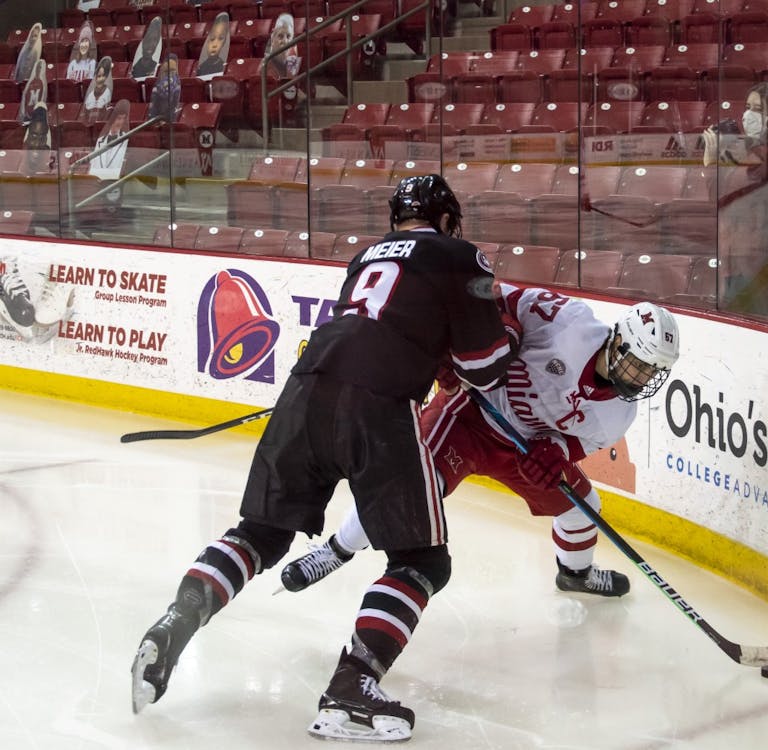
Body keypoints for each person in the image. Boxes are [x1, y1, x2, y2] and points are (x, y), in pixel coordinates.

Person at [131, 174, 520, 743]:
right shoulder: (463, 255)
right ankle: (353, 687)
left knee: (259, 535)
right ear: (445, 219)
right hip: (379, 404)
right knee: (423, 561)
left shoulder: (363, 259)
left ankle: (174, 623)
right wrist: (506, 332)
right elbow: (484, 369)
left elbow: (380, 323)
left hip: (304, 388)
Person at [282, 291, 680, 599]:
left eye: (652, 372)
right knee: (415, 487)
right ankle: (338, 549)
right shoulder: (568, 322)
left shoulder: (621, 414)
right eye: (639, 364)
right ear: (618, 343)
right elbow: (492, 295)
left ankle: (574, 574)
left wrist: (555, 451)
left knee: (583, 509)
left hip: (522, 449)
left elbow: (573, 445)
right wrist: (490, 339)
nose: (643, 378)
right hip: (470, 411)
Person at [90, 99, 131, 180]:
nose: (121, 122)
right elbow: (94, 164)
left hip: (117, 181)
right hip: (98, 182)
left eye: (123, 119)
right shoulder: (100, 140)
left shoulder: (126, 139)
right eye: (118, 118)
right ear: (111, 120)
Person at [261, 13, 300, 79]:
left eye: (288, 36)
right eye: (280, 36)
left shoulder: (293, 49)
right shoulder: (269, 49)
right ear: (273, 37)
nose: (285, 41)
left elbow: (291, 78)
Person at [195, 13, 230, 79]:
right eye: (212, 39)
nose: (215, 45)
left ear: (224, 42)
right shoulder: (200, 67)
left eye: (220, 39)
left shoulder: (226, 66)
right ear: (207, 42)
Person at [82, 56, 113, 123]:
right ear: (95, 77)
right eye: (99, 76)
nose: (101, 79)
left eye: (104, 76)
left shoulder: (107, 92)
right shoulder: (91, 94)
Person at [18, 58, 47, 124]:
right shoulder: (31, 83)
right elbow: (25, 98)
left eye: (40, 68)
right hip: (27, 114)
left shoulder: (42, 84)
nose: (38, 70)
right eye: (37, 68)